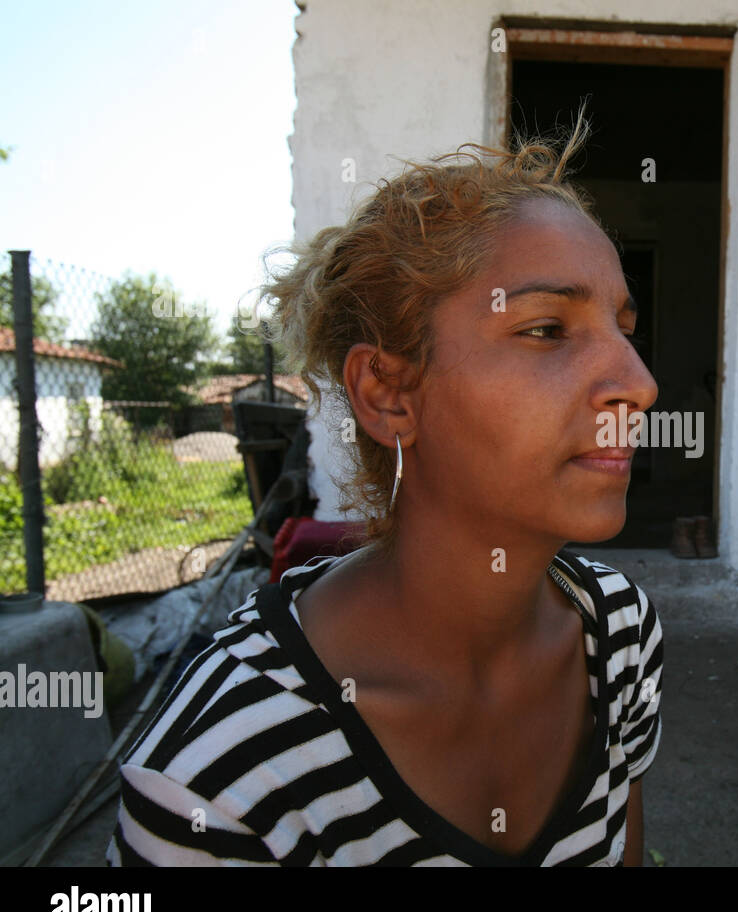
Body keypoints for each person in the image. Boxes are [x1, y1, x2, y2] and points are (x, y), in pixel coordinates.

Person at [107, 106, 664, 866]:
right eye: (546, 329)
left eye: (623, 329)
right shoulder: (223, 771)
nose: (639, 384)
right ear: (388, 393)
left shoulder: (619, 635)